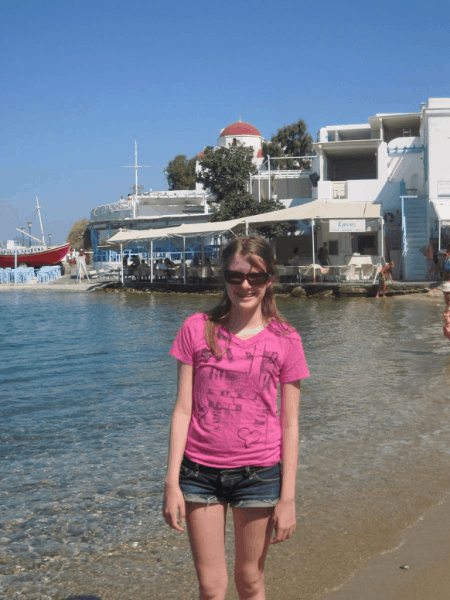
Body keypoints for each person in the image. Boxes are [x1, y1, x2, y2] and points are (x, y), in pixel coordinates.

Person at [163, 236, 309, 600]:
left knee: (251, 582)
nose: (245, 285)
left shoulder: (286, 339)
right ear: (223, 278)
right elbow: (182, 409)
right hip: (198, 472)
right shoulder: (197, 328)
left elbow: (291, 424)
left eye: (255, 277)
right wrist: (171, 481)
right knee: (212, 588)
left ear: (270, 279)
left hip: (259, 475)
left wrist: (287, 497)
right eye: (235, 277)